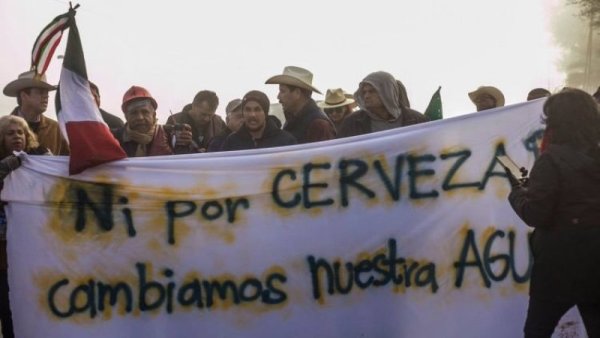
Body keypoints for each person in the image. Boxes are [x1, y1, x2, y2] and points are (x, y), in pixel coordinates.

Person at [507, 89, 600, 337]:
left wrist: (517, 192)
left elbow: (536, 214)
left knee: (537, 330)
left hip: (558, 268)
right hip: (596, 265)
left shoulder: (551, 160)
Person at [0, 115, 50, 338]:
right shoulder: (4, 163)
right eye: (10, 133)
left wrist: (49, 165)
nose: (17, 137)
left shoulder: (39, 157)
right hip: (3, 253)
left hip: (33, 248)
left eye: (20, 132)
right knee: (7, 305)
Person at [338, 71, 428, 138]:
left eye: (372, 91)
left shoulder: (416, 120)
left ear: (387, 91)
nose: (366, 96)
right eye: (364, 92)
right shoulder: (352, 123)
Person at [113, 86, 194, 157]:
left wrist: (186, 146)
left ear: (154, 115)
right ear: (126, 117)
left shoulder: (171, 135)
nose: (140, 117)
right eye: (134, 113)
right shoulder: (114, 139)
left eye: (145, 112)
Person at [3, 70, 69, 155]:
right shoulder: (3, 128)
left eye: (47, 93)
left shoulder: (56, 129)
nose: (46, 96)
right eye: (40, 92)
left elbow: (69, 162)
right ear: (24, 96)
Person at [265, 66, 336, 143]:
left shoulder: (319, 125)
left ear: (297, 93)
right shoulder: (293, 119)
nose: (278, 97)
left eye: (282, 91)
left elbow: (324, 154)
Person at [221, 90, 296, 151]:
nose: (252, 114)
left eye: (257, 110)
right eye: (248, 110)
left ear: (265, 113)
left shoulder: (285, 141)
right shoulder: (232, 142)